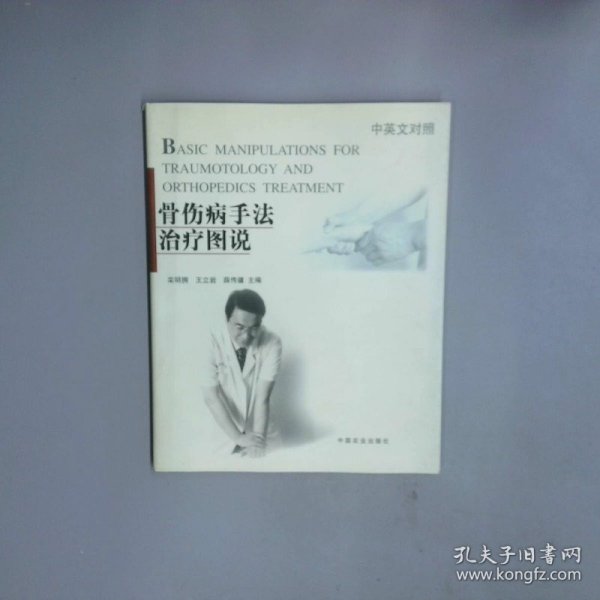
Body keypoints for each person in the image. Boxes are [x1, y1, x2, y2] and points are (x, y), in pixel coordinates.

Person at [200, 289, 282, 458]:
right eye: (240, 327)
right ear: (227, 319)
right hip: (224, 430)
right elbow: (211, 397)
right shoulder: (210, 340)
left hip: (260, 427)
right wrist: (238, 438)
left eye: (254, 328)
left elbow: (262, 398)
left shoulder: (272, 342)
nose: (246, 336)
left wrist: (258, 441)